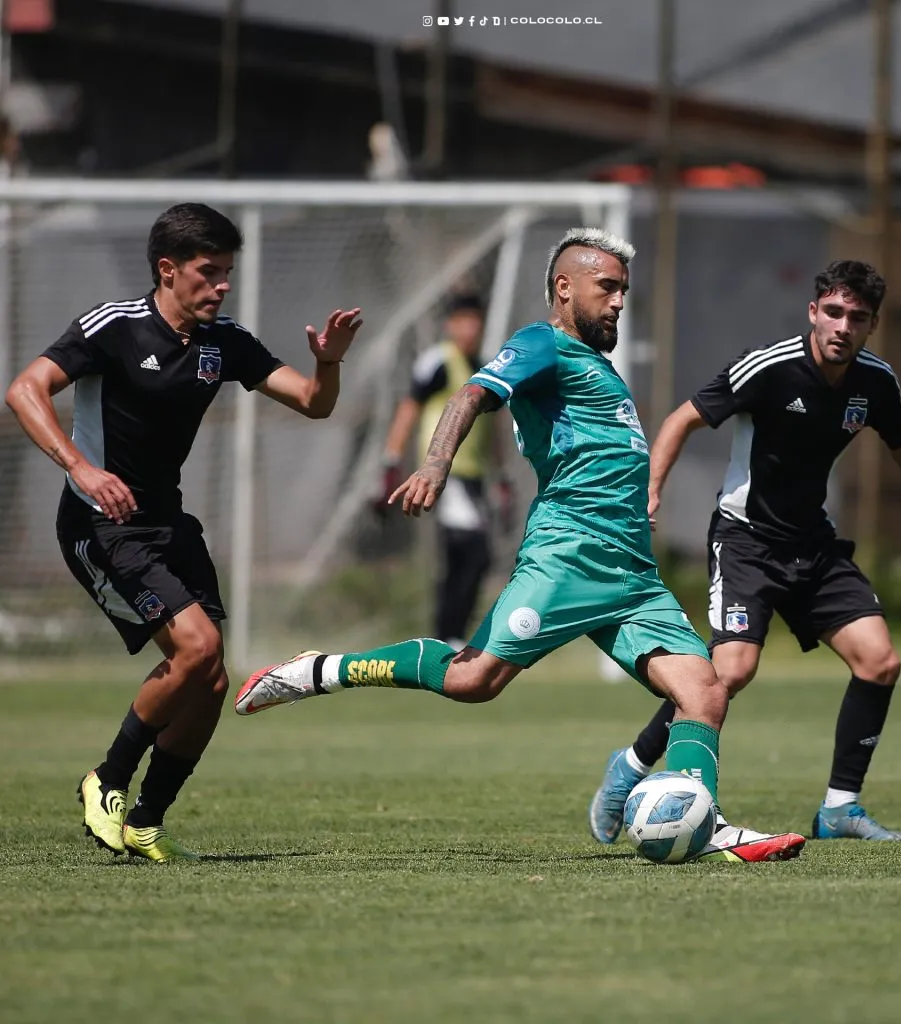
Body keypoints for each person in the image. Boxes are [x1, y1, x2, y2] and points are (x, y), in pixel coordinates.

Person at [235, 227, 805, 864]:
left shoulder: (600, 370)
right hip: (567, 555)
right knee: (473, 680)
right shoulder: (543, 344)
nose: (620, 302)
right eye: (607, 288)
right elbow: (472, 394)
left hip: (631, 573)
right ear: (565, 289)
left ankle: (708, 824)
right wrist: (432, 465)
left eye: (624, 290)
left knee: (704, 690)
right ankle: (319, 669)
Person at [588, 259, 901, 846]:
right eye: (833, 312)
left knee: (879, 661)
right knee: (730, 671)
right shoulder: (770, 368)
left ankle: (840, 809)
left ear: (871, 325)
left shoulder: (876, 382)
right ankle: (630, 767)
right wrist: (651, 487)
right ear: (814, 312)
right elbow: (683, 419)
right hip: (746, 542)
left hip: (814, 545)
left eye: (856, 318)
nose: (842, 326)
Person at [5, 203, 363, 862]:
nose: (221, 285)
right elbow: (25, 389)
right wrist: (82, 469)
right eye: (208, 272)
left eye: (227, 272)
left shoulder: (222, 342)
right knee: (197, 650)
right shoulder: (112, 327)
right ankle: (106, 780)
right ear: (167, 270)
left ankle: (145, 820)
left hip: (168, 523)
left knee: (212, 681)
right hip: (101, 524)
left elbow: (314, 404)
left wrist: (330, 363)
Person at [376, 294, 509, 648]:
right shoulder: (436, 362)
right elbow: (408, 409)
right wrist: (392, 461)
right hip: (445, 477)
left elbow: (492, 428)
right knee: (474, 551)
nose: (471, 328)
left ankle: (447, 635)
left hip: (475, 477)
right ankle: (449, 634)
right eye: (463, 320)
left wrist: (502, 476)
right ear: (450, 325)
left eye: (476, 320)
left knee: (465, 555)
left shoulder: (483, 367)